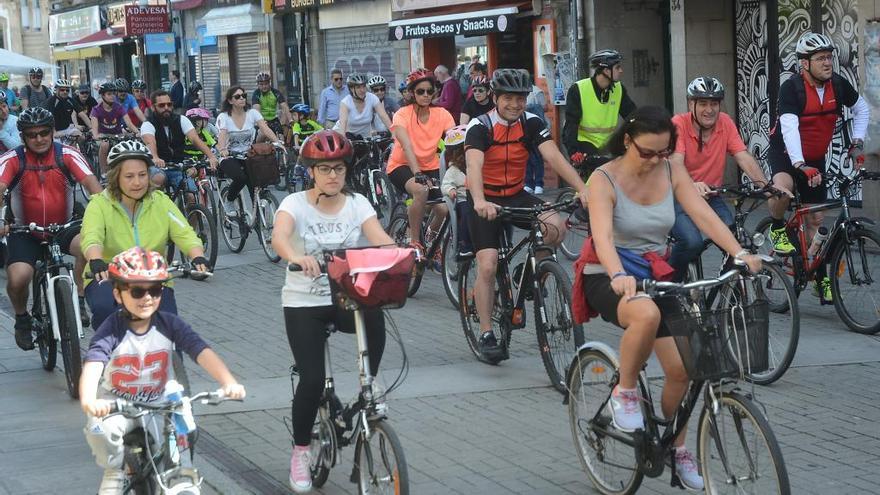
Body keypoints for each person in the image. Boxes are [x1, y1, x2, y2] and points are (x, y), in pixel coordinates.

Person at [579, 105, 763, 491]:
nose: (654, 160)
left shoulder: (670, 169)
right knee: (643, 315)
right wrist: (617, 275)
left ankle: (678, 451)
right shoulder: (603, 179)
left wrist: (738, 252)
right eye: (646, 152)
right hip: (608, 275)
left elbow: (703, 216)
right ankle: (625, 391)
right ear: (627, 141)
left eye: (663, 153)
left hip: (656, 276)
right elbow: (603, 238)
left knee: (683, 369)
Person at [270, 129, 396, 493]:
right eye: (324, 169)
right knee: (311, 380)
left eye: (338, 169)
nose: (332, 176)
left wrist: (402, 255)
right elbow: (280, 236)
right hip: (304, 302)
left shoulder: (357, 204)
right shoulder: (294, 204)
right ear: (311, 171)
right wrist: (295, 256)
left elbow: (379, 237)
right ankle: (300, 453)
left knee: (374, 309)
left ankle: (371, 383)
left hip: (344, 298)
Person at [80, 246, 245, 495]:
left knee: (184, 423)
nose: (147, 298)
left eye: (155, 290)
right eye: (137, 291)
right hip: (118, 402)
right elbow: (94, 363)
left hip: (160, 399)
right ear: (118, 294)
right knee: (100, 429)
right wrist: (90, 399)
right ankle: (115, 470)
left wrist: (227, 381)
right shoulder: (112, 328)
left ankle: (183, 470)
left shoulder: (169, 324)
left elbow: (200, 351)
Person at [465, 68, 588, 362]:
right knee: (487, 265)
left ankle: (531, 271)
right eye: (508, 98)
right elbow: (474, 167)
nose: (514, 105)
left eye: (520, 99)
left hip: (516, 194)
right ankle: (486, 332)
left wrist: (583, 188)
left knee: (555, 225)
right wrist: (480, 200)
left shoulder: (531, 123)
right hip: (486, 197)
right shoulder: (479, 126)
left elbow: (553, 156)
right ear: (495, 98)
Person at [766, 32, 869, 302]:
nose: (827, 63)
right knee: (783, 189)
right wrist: (799, 165)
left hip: (814, 157)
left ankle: (820, 277)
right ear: (804, 63)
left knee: (816, 220)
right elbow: (789, 128)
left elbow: (862, 109)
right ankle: (777, 226)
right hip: (786, 154)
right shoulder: (792, 88)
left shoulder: (838, 84)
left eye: (829, 57)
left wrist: (857, 142)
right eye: (820, 58)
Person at [80, 140, 210, 329]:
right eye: (129, 176)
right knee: (105, 311)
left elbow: (185, 233)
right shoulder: (99, 204)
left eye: (142, 175)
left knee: (169, 327)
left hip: (153, 275)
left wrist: (198, 255)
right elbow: (92, 235)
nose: (137, 182)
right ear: (116, 177)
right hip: (108, 275)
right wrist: (96, 259)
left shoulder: (160, 201)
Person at [1, 107, 102, 348]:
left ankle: (78, 296)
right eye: (32, 134)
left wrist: (104, 217)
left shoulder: (67, 154)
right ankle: (22, 319)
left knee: (90, 247)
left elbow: (94, 189)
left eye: (44, 132)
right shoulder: (12, 159)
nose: (39, 138)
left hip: (64, 227)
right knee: (18, 278)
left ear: (52, 131)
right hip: (24, 230)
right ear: (23, 137)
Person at [668, 76, 785, 279]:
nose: (709, 109)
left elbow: (743, 156)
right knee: (691, 242)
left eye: (714, 103)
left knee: (735, 242)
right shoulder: (679, 124)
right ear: (690, 104)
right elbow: (676, 162)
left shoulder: (725, 122)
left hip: (712, 196)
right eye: (703, 103)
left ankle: (731, 295)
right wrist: (691, 185)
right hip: (679, 197)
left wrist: (766, 187)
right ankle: (671, 288)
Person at [386, 68, 454, 248]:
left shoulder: (442, 114)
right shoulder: (402, 114)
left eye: (429, 91)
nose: (426, 95)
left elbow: (454, 142)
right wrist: (417, 172)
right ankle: (415, 242)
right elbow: (406, 145)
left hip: (430, 166)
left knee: (443, 208)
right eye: (420, 91)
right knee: (421, 190)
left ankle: (431, 241)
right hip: (402, 165)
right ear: (411, 93)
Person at [563, 49, 637, 177]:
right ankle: (582, 196)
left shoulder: (618, 89)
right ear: (606, 70)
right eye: (617, 67)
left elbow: (632, 115)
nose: (621, 71)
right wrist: (574, 152)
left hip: (607, 143)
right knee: (601, 174)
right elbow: (571, 124)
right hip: (583, 144)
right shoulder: (578, 89)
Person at [216, 86, 282, 207]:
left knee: (256, 182)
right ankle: (229, 201)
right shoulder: (224, 117)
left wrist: (277, 142)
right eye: (237, 97)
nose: (242, 98)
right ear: (230, 101)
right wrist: (222, 149)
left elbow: (265, 129)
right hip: (229, 156)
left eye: (244, 96)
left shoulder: (252, 113)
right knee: (241, 178)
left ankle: (256, 220)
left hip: (248, 155)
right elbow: (222, 134)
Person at [141, 90, 219, 189]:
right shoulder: (148, 124)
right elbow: (150, 141)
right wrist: (155, 157)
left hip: (179, 166)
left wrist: (211, 156)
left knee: (191, 193)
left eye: (169, 104)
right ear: (153, 107)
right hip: (157, 167)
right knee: (157, 185)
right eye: (161, 105)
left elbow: (195, 139)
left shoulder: (181, 120)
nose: (166, 108)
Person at [90, 82, 139, 173]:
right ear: (102, 95)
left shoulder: (119, 107)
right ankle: (104, 172)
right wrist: (96, 136)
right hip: (103, 136)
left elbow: (129, 123)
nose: (112, 96)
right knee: (105, 145)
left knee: (130, 144)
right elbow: (94, 130)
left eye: (113, 94)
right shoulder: (96, 110)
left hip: (117, 135)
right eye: (109, 94)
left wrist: (137, 132)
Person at [440, 125, 474, 258]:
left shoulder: (480, 165)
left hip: (479, 197)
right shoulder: (453, 170)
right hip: (463, 198)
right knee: (466, 213)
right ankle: (464, 244)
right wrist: (451, 190)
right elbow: (446, 184)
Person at [334, 73, 393, 140]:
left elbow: (383, 116)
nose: (362, 90)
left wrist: (394, 133)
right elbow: (343, 123)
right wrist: (344, 139)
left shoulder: (372, 98)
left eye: (364, 86)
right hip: (345, 135)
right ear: (351, 89)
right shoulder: (345, 102)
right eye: (358, 87)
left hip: (364, 137)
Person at [524, 82, 548, 194]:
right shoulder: (519, 91)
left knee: (537, 157)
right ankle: (528, 183)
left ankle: (539, 183)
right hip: (523, 128)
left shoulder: (537, 91)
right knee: (526, 157)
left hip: (536, 128)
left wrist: (531, 108)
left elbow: (545, 107)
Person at [252, 72, 292, 139]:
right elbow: (256, 109)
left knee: (281, 139)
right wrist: (262, 121)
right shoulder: (256, 94)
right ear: (258, 85)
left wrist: (290, 119)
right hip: (261, 119)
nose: (264, 86)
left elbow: (284, 106)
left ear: (269, 83)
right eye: (261, 84)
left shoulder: (275, 92)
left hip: (273, 119)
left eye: (266, 84)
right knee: (259, 138)